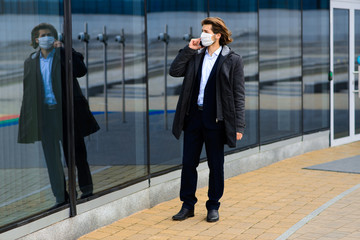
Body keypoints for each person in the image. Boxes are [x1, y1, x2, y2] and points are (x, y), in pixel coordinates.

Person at [170, 17, 245, 222]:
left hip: (216, 120)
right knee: (188, 164)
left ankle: (213, 205)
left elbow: (239, 94)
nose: (202, 34)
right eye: (202, 30)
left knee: (215, 165)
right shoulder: (195, 55)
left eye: (206, 31)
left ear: (217, 35)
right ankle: (187, 205)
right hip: (193, 117)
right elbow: (174, 71)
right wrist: (189, 49)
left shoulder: (233, 59)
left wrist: (239, 125)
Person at [18, 23, 100, 207]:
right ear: (36, 40)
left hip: (68, 112)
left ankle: (86, 190)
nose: (46, 37)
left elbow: (81, 70)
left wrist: (65, 49)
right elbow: (28, 92)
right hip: (46, 116)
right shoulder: (31, 61)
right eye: (42, 35)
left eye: (49, 35)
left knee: (77, 153)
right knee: (52, 158)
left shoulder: (63, 55)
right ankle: (60, 197)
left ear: (55, 38)